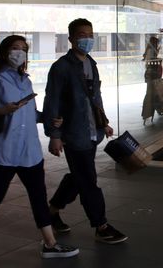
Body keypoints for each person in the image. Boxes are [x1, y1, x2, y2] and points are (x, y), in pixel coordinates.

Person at [0, 35, 79, 260]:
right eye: (15, 48)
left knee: (38, 195)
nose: (20, 53)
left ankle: (50, 243)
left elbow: (27, 114)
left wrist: (47, 118)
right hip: (2, 150)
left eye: (24, 49)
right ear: (5, 51)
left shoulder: (25, 80)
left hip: (29, 150)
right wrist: (1, 111)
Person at [43, 18, 127, 244]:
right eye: (81, 35)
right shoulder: (61, 67)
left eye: (90, 34)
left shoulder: (91, 63)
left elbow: (95, 98)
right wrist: (54, 135)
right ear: (71, 38)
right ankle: (101, 225)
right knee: (88, 180)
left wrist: (104, 123)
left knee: (78, 176)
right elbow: (52, 102)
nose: (87, 39)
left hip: (91, 132)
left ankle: (51, 211)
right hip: (74, 134)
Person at [141, 35, 163, 125]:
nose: (157, 44)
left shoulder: (151, 50)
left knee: (153, 95)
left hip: (153, 75)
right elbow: (151, 63)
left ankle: (155, 112)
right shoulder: (151, 51)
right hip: (153, 76)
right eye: (156, 43)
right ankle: (156, 112)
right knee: (155, 94)